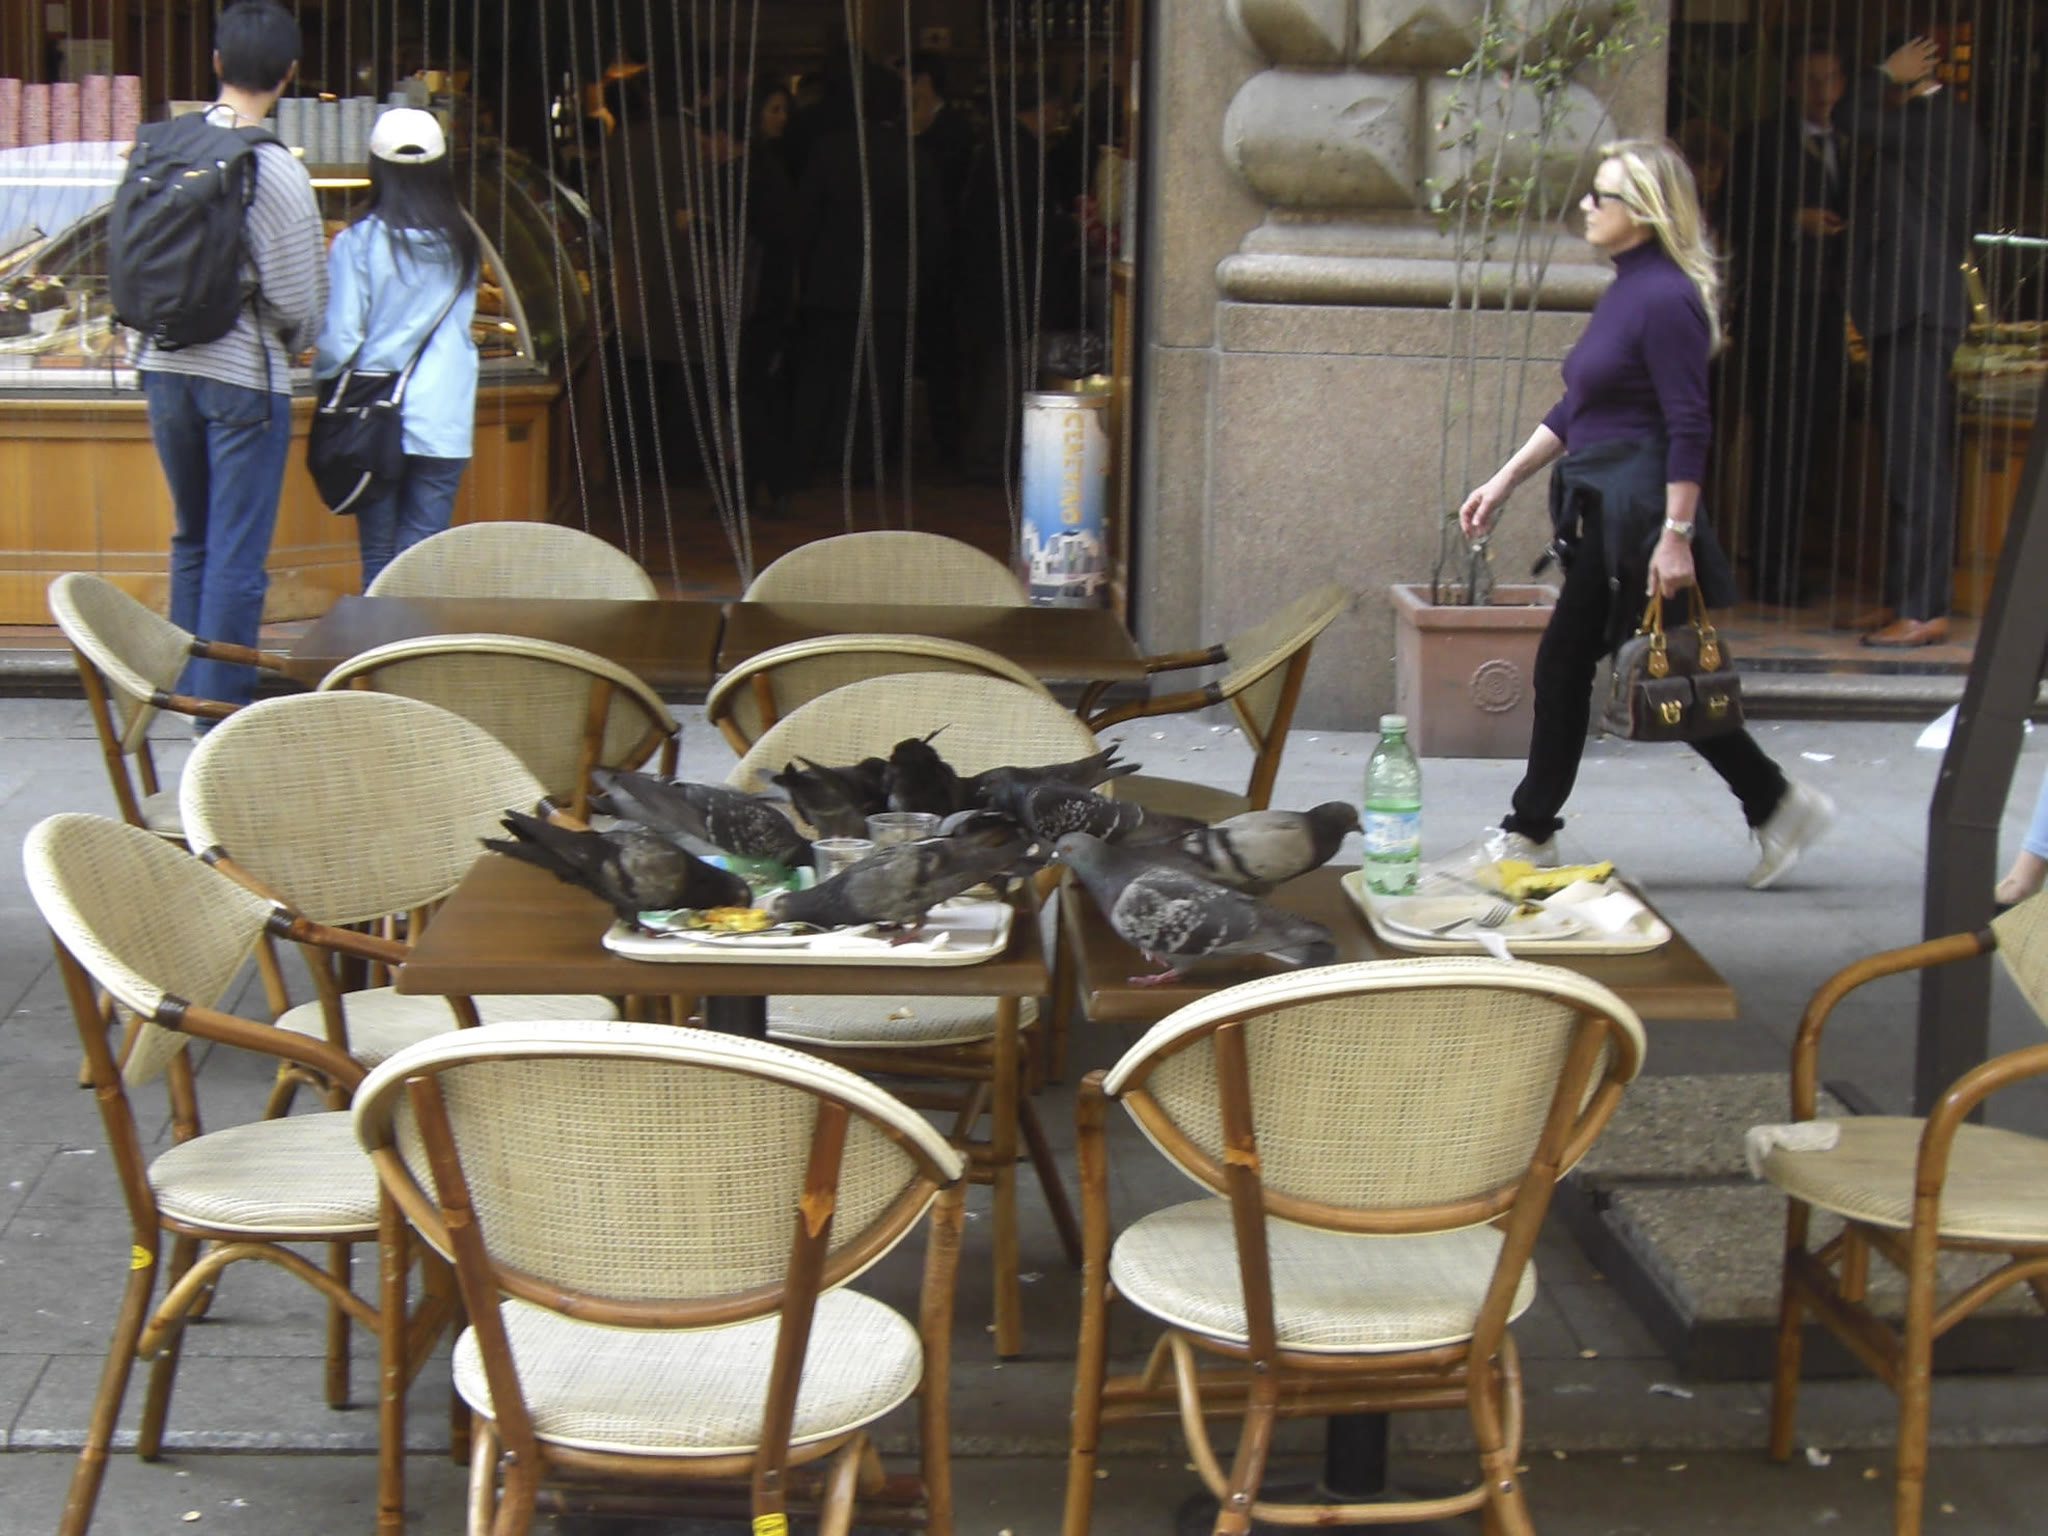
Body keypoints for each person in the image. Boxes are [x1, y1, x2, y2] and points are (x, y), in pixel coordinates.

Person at [1458, 138, 1834, 890]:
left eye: (1602, 195)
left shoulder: (1665, 298)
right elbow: (1580, 405)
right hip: (1609, 508)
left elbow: (1690, 424)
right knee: (1650, 671)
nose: (1586, 206)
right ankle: (1776, 803)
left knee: (1590, 665)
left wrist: (1677, 536)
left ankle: (1530, 832)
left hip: (1637, 517)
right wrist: (1503, 480)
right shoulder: (1631, 288)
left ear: (1645, 210)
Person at [136, 0, 324, 711]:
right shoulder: (274, 169)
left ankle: (186, 690)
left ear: (215, 63)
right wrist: (295, 341)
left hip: (163, 367)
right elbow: (298, 299)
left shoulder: (161, 147)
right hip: (243, 377)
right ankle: (218, 715)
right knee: (236, 553)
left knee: (192, 537)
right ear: (289, 74)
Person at [1833, 33, 1987, 648]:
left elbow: (1848, 116)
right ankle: (1903, 597)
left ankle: (1923, 608)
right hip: (1909, 308)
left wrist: (1882, 71)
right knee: (1905, 460)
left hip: (1917, 308)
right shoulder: (1929, 124)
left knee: (1918, 463)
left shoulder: (1935, 119)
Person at [314, 108, 480, 589]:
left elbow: (342, 338)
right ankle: (414, 634)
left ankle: (380, 634)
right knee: (423, 555)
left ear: (377, 167)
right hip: (445, 412)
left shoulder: (357, 242)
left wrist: (323, 377)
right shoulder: (464, 241)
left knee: (379, 556)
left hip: (373, 415)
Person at [1727, 45, 1850, 608]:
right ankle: (1770, 568)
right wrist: (1792, 221)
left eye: (1831, 78)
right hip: (1778, 310)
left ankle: (1796, 560)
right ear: (1793, 86)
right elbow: (1736, 212)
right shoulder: (1762, 140)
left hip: (1828, 311)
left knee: (1815, 437)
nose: (1823, 90)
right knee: (1778, 436)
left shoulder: (1850, 142)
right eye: (1812, 79)